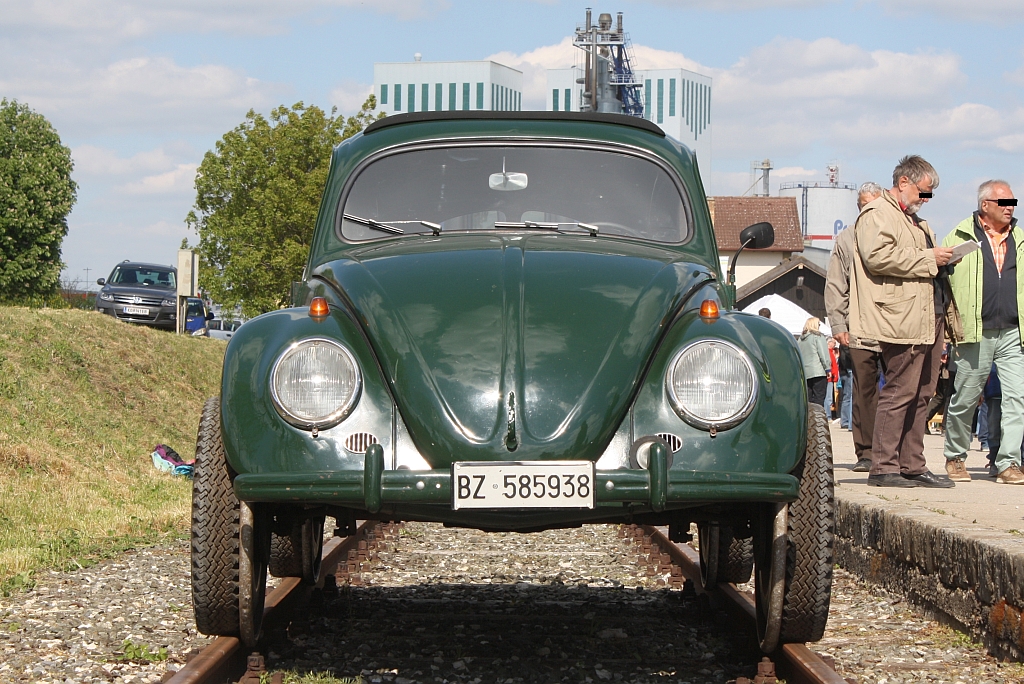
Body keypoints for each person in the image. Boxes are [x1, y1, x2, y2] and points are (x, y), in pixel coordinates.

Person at [849, 155, 962, 488]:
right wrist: (930, 258)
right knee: (899, 390)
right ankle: (884, 465)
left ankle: (912, 464)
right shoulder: (877, 214)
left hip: (928, 313)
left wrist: (943, 261)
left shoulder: (915, 220)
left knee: (923, 392)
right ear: (904, 183)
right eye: (924, 192)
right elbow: (877, 257)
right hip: (901, 317)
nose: (925, 200)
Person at [941, 180, 1024, 484]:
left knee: (1017, 398)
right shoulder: (959, 236)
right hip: (975, 331)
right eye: (1004, 202)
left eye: (1012, 202)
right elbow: (940, 280)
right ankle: (956, 457)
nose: (1010, 207)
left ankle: (1008, 463)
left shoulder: (1021, 239)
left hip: (1014, 331)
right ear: (985, 205)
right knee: (966, 397)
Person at [825, 182, 885, 472]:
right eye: (864, 206)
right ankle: (867, 453)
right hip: (859, 326)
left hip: (894, 325)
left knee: (900, 391)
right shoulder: (847, 239)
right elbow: (836, 284)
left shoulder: (895, 232)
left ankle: (893, 452)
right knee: (864, 391)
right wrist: (838, 323)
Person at [798, 317, 830, 406]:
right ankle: (818, 419)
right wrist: (828, 368)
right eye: (819, 324)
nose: (819, 326)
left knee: (809, 401)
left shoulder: (800, 340)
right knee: (819, 399)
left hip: (806, 373)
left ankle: (809, 419)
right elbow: (823, 354)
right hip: (818, 371)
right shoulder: (818, 336)